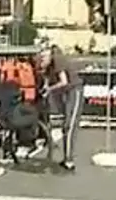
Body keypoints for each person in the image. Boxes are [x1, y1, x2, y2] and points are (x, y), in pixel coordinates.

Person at [35, 42, 83, 171]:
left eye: (43, 58)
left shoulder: (58, 60)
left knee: (70, 125)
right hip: (63, 94)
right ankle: (67, 157)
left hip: (74, 90)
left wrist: (49, 89)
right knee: (65, 125)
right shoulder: (47, 65)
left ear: (49, 55)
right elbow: (46, 78)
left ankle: (69, 160)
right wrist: (45, 87)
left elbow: (64, 81)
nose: (42, 61)